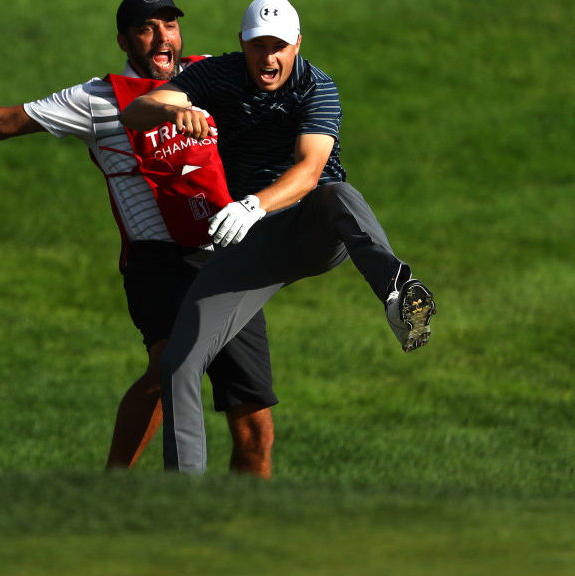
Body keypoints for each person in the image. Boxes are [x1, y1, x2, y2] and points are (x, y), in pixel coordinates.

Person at [0, 0, 279, 476]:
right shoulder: (98, 100)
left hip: (226, 257)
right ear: (123, 41)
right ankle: (111, 488)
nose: (161, 38)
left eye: (169, 26)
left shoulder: (213, 77)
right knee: (167, 370)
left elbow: (275, 74)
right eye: (146, 29)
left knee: (255, 425)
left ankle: (245, 529)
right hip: (157, 261)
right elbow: (3, 121)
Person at [120, 0, 437, 474]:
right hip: (252, 245)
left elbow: (309, 171)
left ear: (297, 45)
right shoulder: (219, 75)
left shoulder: (317, 87)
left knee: (338, 193)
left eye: (279, 47)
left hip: (311, 228)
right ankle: (181, 499)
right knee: (179, 363)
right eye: (258, 47)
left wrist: (254, 204)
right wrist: (171, 109)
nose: (269, 59)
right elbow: (138, 113)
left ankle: (397, 294)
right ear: (243, 45)